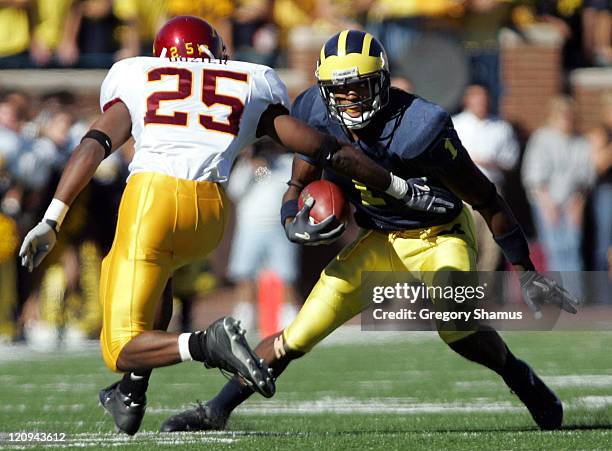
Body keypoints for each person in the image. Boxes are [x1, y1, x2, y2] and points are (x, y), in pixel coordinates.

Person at [18, 17, 440, 436]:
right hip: (209, 214)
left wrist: (52, 217)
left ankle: (207, 343)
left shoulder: (136, 75)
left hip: (152, 203)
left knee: (119, 348)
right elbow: (322, 147)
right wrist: (400, 187)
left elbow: (94, 144)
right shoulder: (247, 82)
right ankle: (131, 393)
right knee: (157, 281)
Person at [161, 29, 580, 433]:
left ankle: (518, 375)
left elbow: (487, 199)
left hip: (438, 235)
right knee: (297, 334)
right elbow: (298, 181)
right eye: (338, 89)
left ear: (380, 82)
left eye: (359, 87)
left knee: (455, 324)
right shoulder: (313, 111)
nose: (348, 99)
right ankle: (217, 409)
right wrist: (292, 216)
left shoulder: (421, 128)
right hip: (379, 238)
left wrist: (526, 270)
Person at [453, 84, 520, 270]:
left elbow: (511, 160)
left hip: (492, 189)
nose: (481, 103)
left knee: (493, 243)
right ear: (467, 100)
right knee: (467, 240)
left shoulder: (501, 127)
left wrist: (486, 161)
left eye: (484, 98)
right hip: (464, 191)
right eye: (476, 98)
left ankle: (484, 292)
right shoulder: (455, 124)